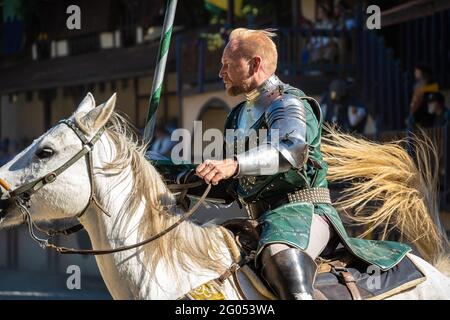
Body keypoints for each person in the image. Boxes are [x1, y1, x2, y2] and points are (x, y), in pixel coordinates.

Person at [153, 28, 411, 300]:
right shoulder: (238, 116)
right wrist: (162, 172)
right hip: (259, 220)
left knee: (281, 256)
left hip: (304, 213)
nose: (221, 72)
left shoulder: (287, 102)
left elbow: (292, 150)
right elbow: (232, 187)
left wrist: (233, 163)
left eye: (228, 64)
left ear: (254, 64)